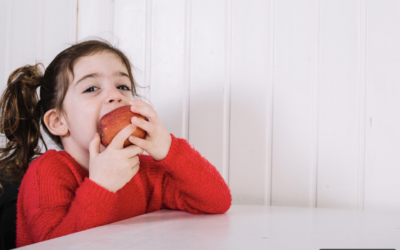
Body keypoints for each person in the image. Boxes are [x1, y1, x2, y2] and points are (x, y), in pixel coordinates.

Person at [0, 39, 231, 248]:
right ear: (59, 121)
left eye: (122, 86)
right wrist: (101, 186)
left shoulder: (143, 171)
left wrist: (168, 148)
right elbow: (55, 245)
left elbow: (217, 201)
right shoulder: (47, 173)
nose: (115, 95)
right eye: (92, 88)